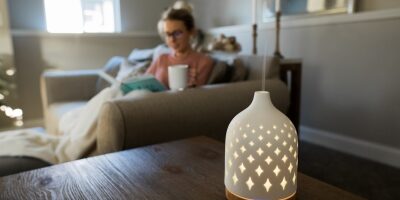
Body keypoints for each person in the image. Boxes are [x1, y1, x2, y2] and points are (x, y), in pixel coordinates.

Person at [146, 8, 213, 89]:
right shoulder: (161, 59)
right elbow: (142, 83)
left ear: (191, 32)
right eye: (168, 34)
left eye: (177, 33)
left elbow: (197, 97)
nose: (172, 40)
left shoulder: (204, 62)